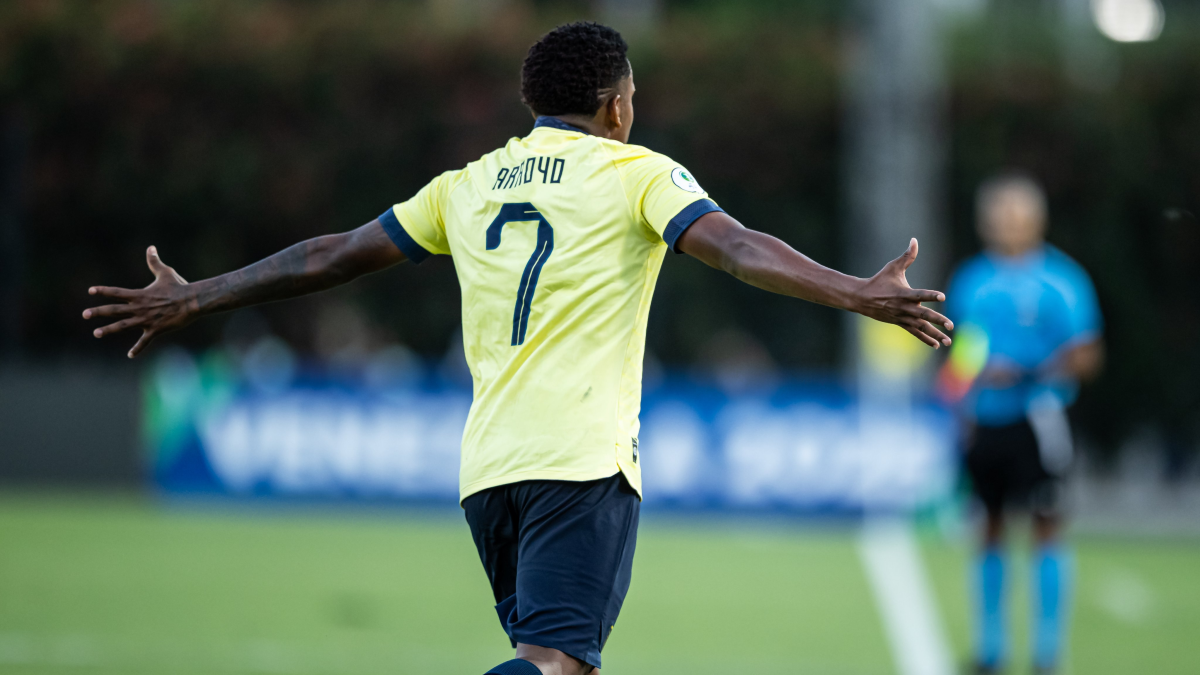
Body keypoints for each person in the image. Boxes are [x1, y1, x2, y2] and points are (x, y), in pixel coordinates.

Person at [83, 22, 953, 675]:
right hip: (582, 463)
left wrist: (201, 293)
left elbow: (334, 254)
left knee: (548, 658)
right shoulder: (637, 173)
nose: (634, 109)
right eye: (633, 96)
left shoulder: (467, 185)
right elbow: (735, 247)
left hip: (488, 474)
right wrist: (854, 291)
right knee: (555, 663)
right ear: (616, 104)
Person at [942, 173, 1103, 675]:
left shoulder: (1063, 279)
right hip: (987, 422)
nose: (1007, 222)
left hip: (1040, 421)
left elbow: (1086, 354)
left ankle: (1046, 653)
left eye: (1016, 212)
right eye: (998, 212)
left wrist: (1035, 371)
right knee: (987, 529)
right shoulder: (971, 279)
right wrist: (964, 390)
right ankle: (990, 651)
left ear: (1037, 219)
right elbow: (962, 352)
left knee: (1046, 529)